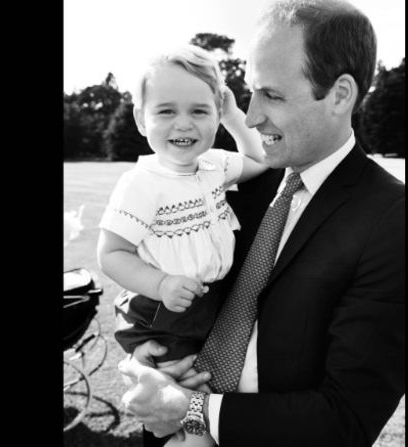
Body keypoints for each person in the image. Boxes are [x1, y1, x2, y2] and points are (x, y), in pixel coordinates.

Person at [117, 1, 405, 446]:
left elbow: (346, 419)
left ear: (340, 95)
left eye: (271, 95)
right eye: (250, 93)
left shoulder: (391, 218)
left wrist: (188, 409)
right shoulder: (232, 181)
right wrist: (147, 354)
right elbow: (155, 261)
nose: (249, 117)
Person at [97, 44, 267, 447]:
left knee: (205, 384)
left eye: (200, 111)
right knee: (176, 389)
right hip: (162, 312)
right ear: (141, 119)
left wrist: (232, 115)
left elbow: (260, 157)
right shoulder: (142, 183)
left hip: (207, 302)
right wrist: (160, 283)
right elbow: (111, 253)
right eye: (166, 111)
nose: (184, 124)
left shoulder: (215, 166)